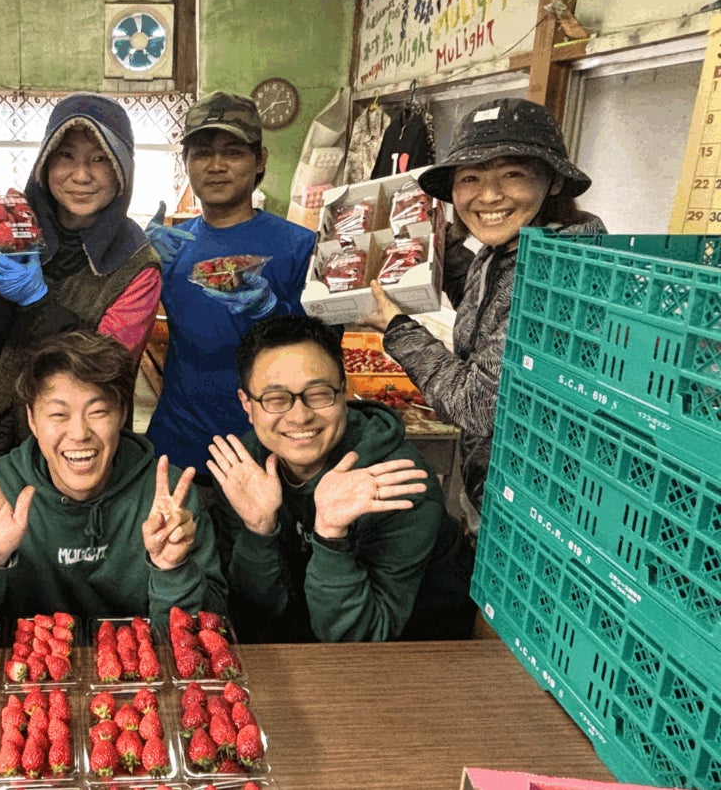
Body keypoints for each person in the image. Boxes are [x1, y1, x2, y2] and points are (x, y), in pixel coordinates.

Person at [362, 97, 605, 534]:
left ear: (551, 181)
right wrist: (437, 249)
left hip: (543, 509)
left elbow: (478, 407)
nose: (489, 195)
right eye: (470, 177)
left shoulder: (557, 277)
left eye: (512, 174)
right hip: (503, 490)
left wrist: (398, 330)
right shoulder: (513, 249)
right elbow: (489, 310)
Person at [0, 330, 226, 624]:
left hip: (139, 679)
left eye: (98, 411)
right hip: (21, 676)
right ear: (32, 420)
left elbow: (214, 623)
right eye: (58, 415)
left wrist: (172, 570)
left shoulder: (168, 495)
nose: (79, 434)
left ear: (121, 413)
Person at [206, 315, 475, 642]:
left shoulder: (396, 481)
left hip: (420, 651)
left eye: (318, 394)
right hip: (302, 643)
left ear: (343, 394)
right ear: (247, 405)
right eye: (276, 399)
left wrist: (332, 536)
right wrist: (259, 531)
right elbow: (257, 615)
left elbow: (360, 641)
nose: (299, 416)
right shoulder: (244, 469)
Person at [0, 93, 162, 460]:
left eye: (100, 158)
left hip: (81, 451)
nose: (81, 175)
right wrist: (0, 295)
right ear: (45, 164)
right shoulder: (9, 233)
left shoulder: (137, 265)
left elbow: (106, 373)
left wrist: (36, 301)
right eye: (66, 156)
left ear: (122, 170)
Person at [145, 91, 317, 484]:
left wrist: (275, 314)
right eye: (202, 153)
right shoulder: (170, 248)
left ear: (260, 160)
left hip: (268, 452)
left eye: (233, 152)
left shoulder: (300, 246)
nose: (217, 166)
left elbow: (325, 352)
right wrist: (131, 261)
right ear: (186, 163)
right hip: (179, 449)